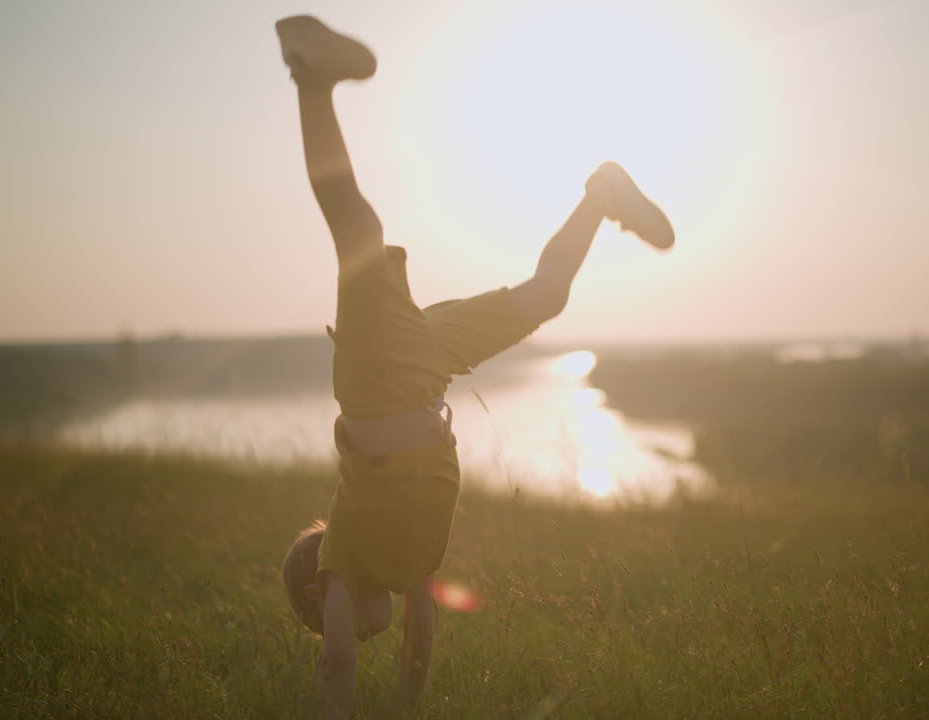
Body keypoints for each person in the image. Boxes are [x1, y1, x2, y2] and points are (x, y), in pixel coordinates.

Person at [276, 13, 674, 718]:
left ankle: (312, 77)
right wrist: (405, 709)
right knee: (543, 296)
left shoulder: (340, 564)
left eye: (322, 623)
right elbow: (419, 643)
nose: (350, 636)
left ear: (318, 598)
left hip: (377, 378)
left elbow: (336, 667)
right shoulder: (408, 564)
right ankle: (602, 194)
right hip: (424, 370)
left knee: (356, 233)